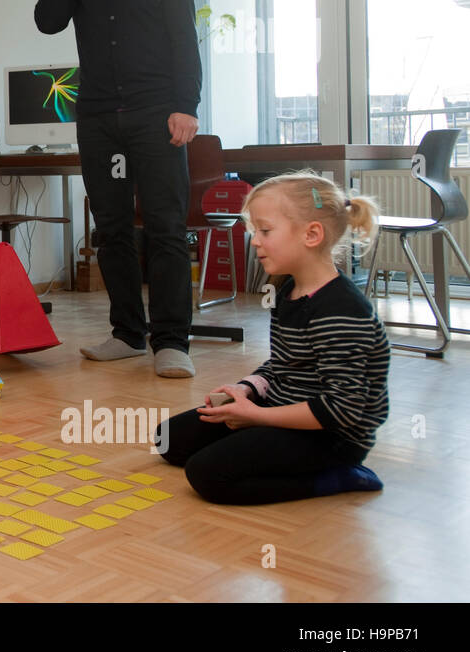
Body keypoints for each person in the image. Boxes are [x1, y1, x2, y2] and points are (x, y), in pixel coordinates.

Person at [34, 0, 202, 378]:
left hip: (157, 114)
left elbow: (184, 39)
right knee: (110, 230)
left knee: (167, 227)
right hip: (100, 119)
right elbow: (47, 20)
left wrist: (186, 105)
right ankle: (129, 333)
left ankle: (172, 341)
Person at [153, 172, 389, 504]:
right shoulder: (287, 289)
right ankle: (261, 442)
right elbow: (283, 363)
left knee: (207, 475)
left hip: (332, 436)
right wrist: (246, 388)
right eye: (254, 232)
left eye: (264, 231)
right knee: (167, 440)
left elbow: (343, 410)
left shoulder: (342, 310)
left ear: (311, 234)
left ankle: (338, 475)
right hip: (284, 408)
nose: (255, 241)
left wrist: (255, 416)